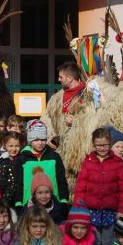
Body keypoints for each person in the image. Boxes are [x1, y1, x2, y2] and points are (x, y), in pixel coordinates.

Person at [42, 61, 99, 189]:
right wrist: (49, 135)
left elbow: (94, 119)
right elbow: (48, 118)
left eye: (61, 77)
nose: (58, 79)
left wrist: (76, 122)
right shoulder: (56, 98)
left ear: (70, 78)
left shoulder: (88, 95)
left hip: (80, 150)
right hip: (61, 150)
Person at [74, 127, 123, 245]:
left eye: (105, 145)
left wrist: (122, 209)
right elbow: (80, 187)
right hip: (92, 210)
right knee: (93, 242)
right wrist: (78, 207)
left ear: (110, 143)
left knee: (108, 242)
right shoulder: (88, 162)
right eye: (98, 145)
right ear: (94, 144)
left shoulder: (117, 162)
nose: (102, 148)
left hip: (110, 210)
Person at [14, 119, 69, 208]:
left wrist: (63, 200)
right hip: (28, 204)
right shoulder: (22, 159)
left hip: (53, 203)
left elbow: (61, 180)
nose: (40, 143)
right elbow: (18, 183)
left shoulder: (54, 157)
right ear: (30, 140)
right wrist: (18, 203)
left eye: (43, 139)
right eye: (36, 140)